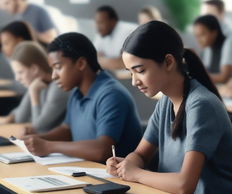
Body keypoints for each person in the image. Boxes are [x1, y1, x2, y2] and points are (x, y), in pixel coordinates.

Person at [106, 21, 232, 194]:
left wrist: (137, 173)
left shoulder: (201, 105)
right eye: (130, 72)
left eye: (140, 70)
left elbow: (185, 185)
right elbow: (141, 154)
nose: (134, 81)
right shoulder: (166, 102)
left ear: (168, 62)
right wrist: (128, 164)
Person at [22, 32, 142, 161]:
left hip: (116, 177)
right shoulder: (77, 93)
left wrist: (48, 146)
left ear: (80, 64)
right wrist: (37, 138)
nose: (53, 76)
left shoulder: (111, 95)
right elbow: (67, 130)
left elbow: (102, 150)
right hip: (89, 170)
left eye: (58, 67)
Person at [0, 41, 69, 132]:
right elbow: (20, 117)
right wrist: (8, 119)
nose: (17, 78)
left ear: (34, 69)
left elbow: (38, 127)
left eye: (20, 72)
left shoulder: (57, 88)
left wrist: (33, 93)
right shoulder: (38, 83)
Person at [193, 15, 232, 83]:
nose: (198, 40)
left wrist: (195, 77)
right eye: (196, 36)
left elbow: (223, 78)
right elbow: (205, 71)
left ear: (214, 32)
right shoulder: (208, 46)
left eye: (202, 35)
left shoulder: (230, 42)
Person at [94, 5, 137, 70]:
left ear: (113, 21)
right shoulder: (101, 33)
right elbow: (93, 55)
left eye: (101, 22)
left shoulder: (128, 32)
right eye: (97, 23)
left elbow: (123, 63)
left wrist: (100, 60)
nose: (98, 27)